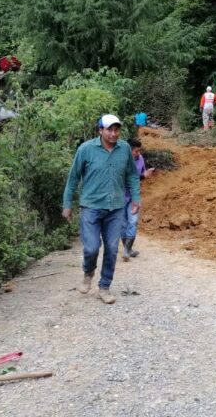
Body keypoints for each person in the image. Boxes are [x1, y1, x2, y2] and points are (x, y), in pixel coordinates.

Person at [62, 114, 141, 304]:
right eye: (109, 130)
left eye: (116, 130)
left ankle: (104, 286)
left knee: (112, 248)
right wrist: (67, 204)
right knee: (91, 248)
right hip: (91, 206)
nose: (114, 134)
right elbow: (73, 178)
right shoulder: (86, 149)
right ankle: (88, 273)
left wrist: (136, 198)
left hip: (115, 208)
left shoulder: (124, 150)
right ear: (100, 130)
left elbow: (132, 175)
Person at [121, 137, 154, 261]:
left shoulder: (140, 159)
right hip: (120, 196)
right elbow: (126, 178)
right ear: (128, 151)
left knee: (133, 221)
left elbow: (140, 175)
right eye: (136, 151)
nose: (138, 153)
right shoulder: (121, 160)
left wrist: (146, 175)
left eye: (139, 150)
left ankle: (126, 250)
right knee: (123, 225)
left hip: (134, 196)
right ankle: (128, 249)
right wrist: (141, 176)